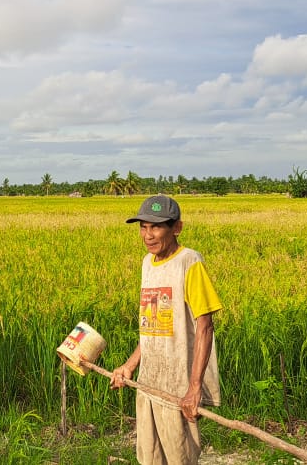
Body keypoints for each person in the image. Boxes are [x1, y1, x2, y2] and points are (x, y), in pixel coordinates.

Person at [110, 194, 222, 465]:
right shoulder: (147, 263)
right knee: (149, 458)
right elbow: (153, 327)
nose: (147, 235)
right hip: (149, 381)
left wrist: (194, 388)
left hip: (178, 385)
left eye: (156, 226)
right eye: (143, 226)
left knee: (179, 457)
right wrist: (129, 366)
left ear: (177, 228)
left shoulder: (190, 262)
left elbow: (205, 327)